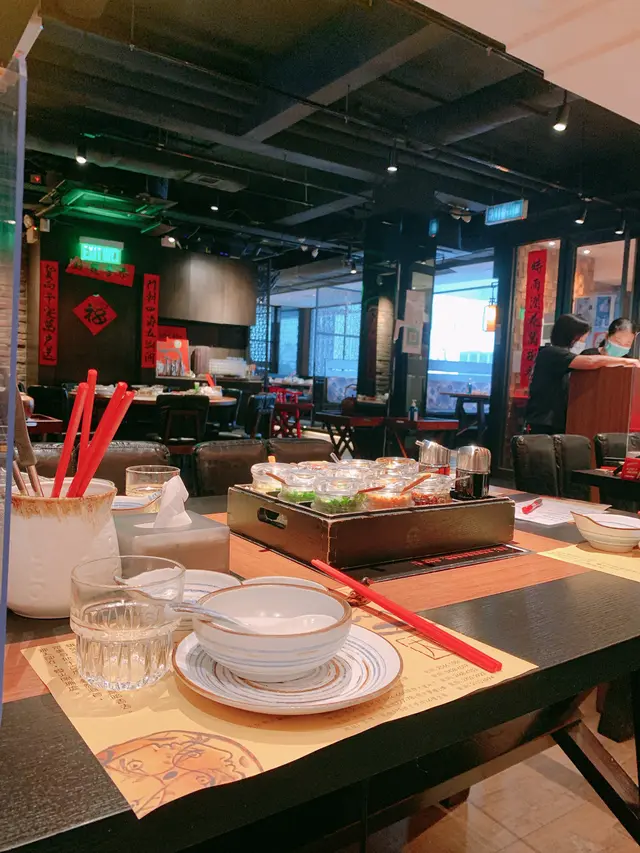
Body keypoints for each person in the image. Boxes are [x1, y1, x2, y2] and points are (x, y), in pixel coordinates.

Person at [525, 313, 640, 435]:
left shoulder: (561, 354)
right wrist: (628, 361)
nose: (583, 341)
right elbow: (590, 361)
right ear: (570, 336)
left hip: (560, 422)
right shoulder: (552, 353)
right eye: (581, 338)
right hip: (544, 423)